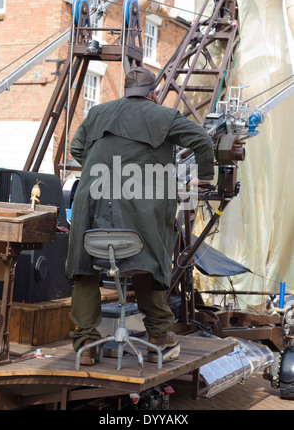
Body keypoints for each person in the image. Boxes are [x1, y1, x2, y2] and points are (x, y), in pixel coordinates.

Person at [67, 67, 214, 365]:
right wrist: (206, 178)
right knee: (149, 263)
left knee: (85, 268)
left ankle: (86, 343)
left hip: (89, 206)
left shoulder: (97, 113)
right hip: (141, 211)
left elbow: (76, 148)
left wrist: (105, 174)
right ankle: (159, 335)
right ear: (153, 93)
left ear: (125, 91)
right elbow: (202, 140)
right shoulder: (164, 116)